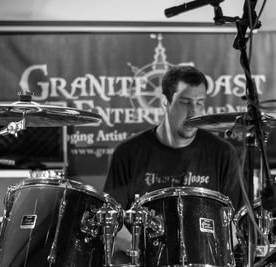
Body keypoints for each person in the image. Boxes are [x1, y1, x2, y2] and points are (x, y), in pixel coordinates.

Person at [103, 65, 243, 263]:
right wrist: (144, 252)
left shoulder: (223, 153)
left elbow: (236, 223)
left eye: (200, 103)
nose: (194, 112)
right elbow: (111, 222)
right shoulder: (128, 153)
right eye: (185, 103)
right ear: (164, 102)